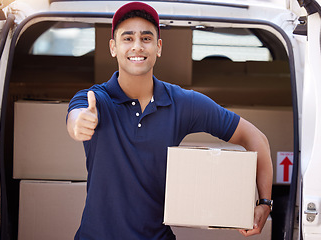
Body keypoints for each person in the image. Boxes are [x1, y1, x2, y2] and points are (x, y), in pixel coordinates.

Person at [66, 2, 273, 239]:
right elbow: (76, 119)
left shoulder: (183, 103)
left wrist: (265, 202)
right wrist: (79, 123)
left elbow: (256, 138)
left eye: (146, 38)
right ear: (113, 47)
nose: (137, 46)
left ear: (158, 47)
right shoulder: (94, 99)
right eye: (127, 38)